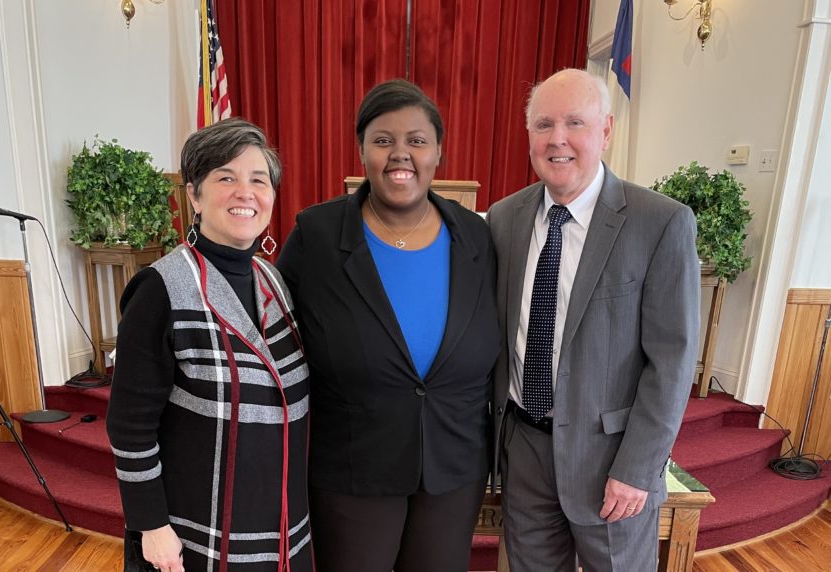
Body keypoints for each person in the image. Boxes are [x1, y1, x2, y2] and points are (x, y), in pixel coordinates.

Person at [276, 79, 499, 572]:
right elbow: (269, 329)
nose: (401, 154)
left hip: (453, 465)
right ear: (362, 151)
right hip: (353, 469)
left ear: (438, 152)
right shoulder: (316, 235)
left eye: (417, 141)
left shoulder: (478, 238)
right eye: (383, 140)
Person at [487, 68, 700, 571]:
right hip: (525, 452)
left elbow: (671, 361)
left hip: (611, 463)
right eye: (543, 125)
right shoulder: (503, 219)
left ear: (605, 131)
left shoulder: (660, 222)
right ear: (529, 136)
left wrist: (638, 468)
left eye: (574, 124)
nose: (557, 139)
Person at [106, 118, 312, 572]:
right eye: (226, 177)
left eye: (259, 180)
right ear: (194, 194)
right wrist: (150, 526)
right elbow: (129, 425)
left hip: (281, 526)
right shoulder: (161, 289)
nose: (246, 192)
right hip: (198, 532)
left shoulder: (273, 280)